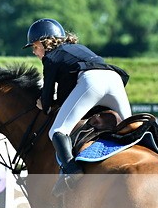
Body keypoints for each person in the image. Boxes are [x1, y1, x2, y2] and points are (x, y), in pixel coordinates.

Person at [23, 18, 132, 196]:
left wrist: (42, 103)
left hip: (92, 82)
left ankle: (72, 173)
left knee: (57, 131)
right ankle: (157, 154)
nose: (35, 52)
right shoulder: (78, 49)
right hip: (114, 79)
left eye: (35, 47)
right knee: (129, 127)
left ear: (45, 42)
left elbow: (47, 101)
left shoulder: (50, 57)